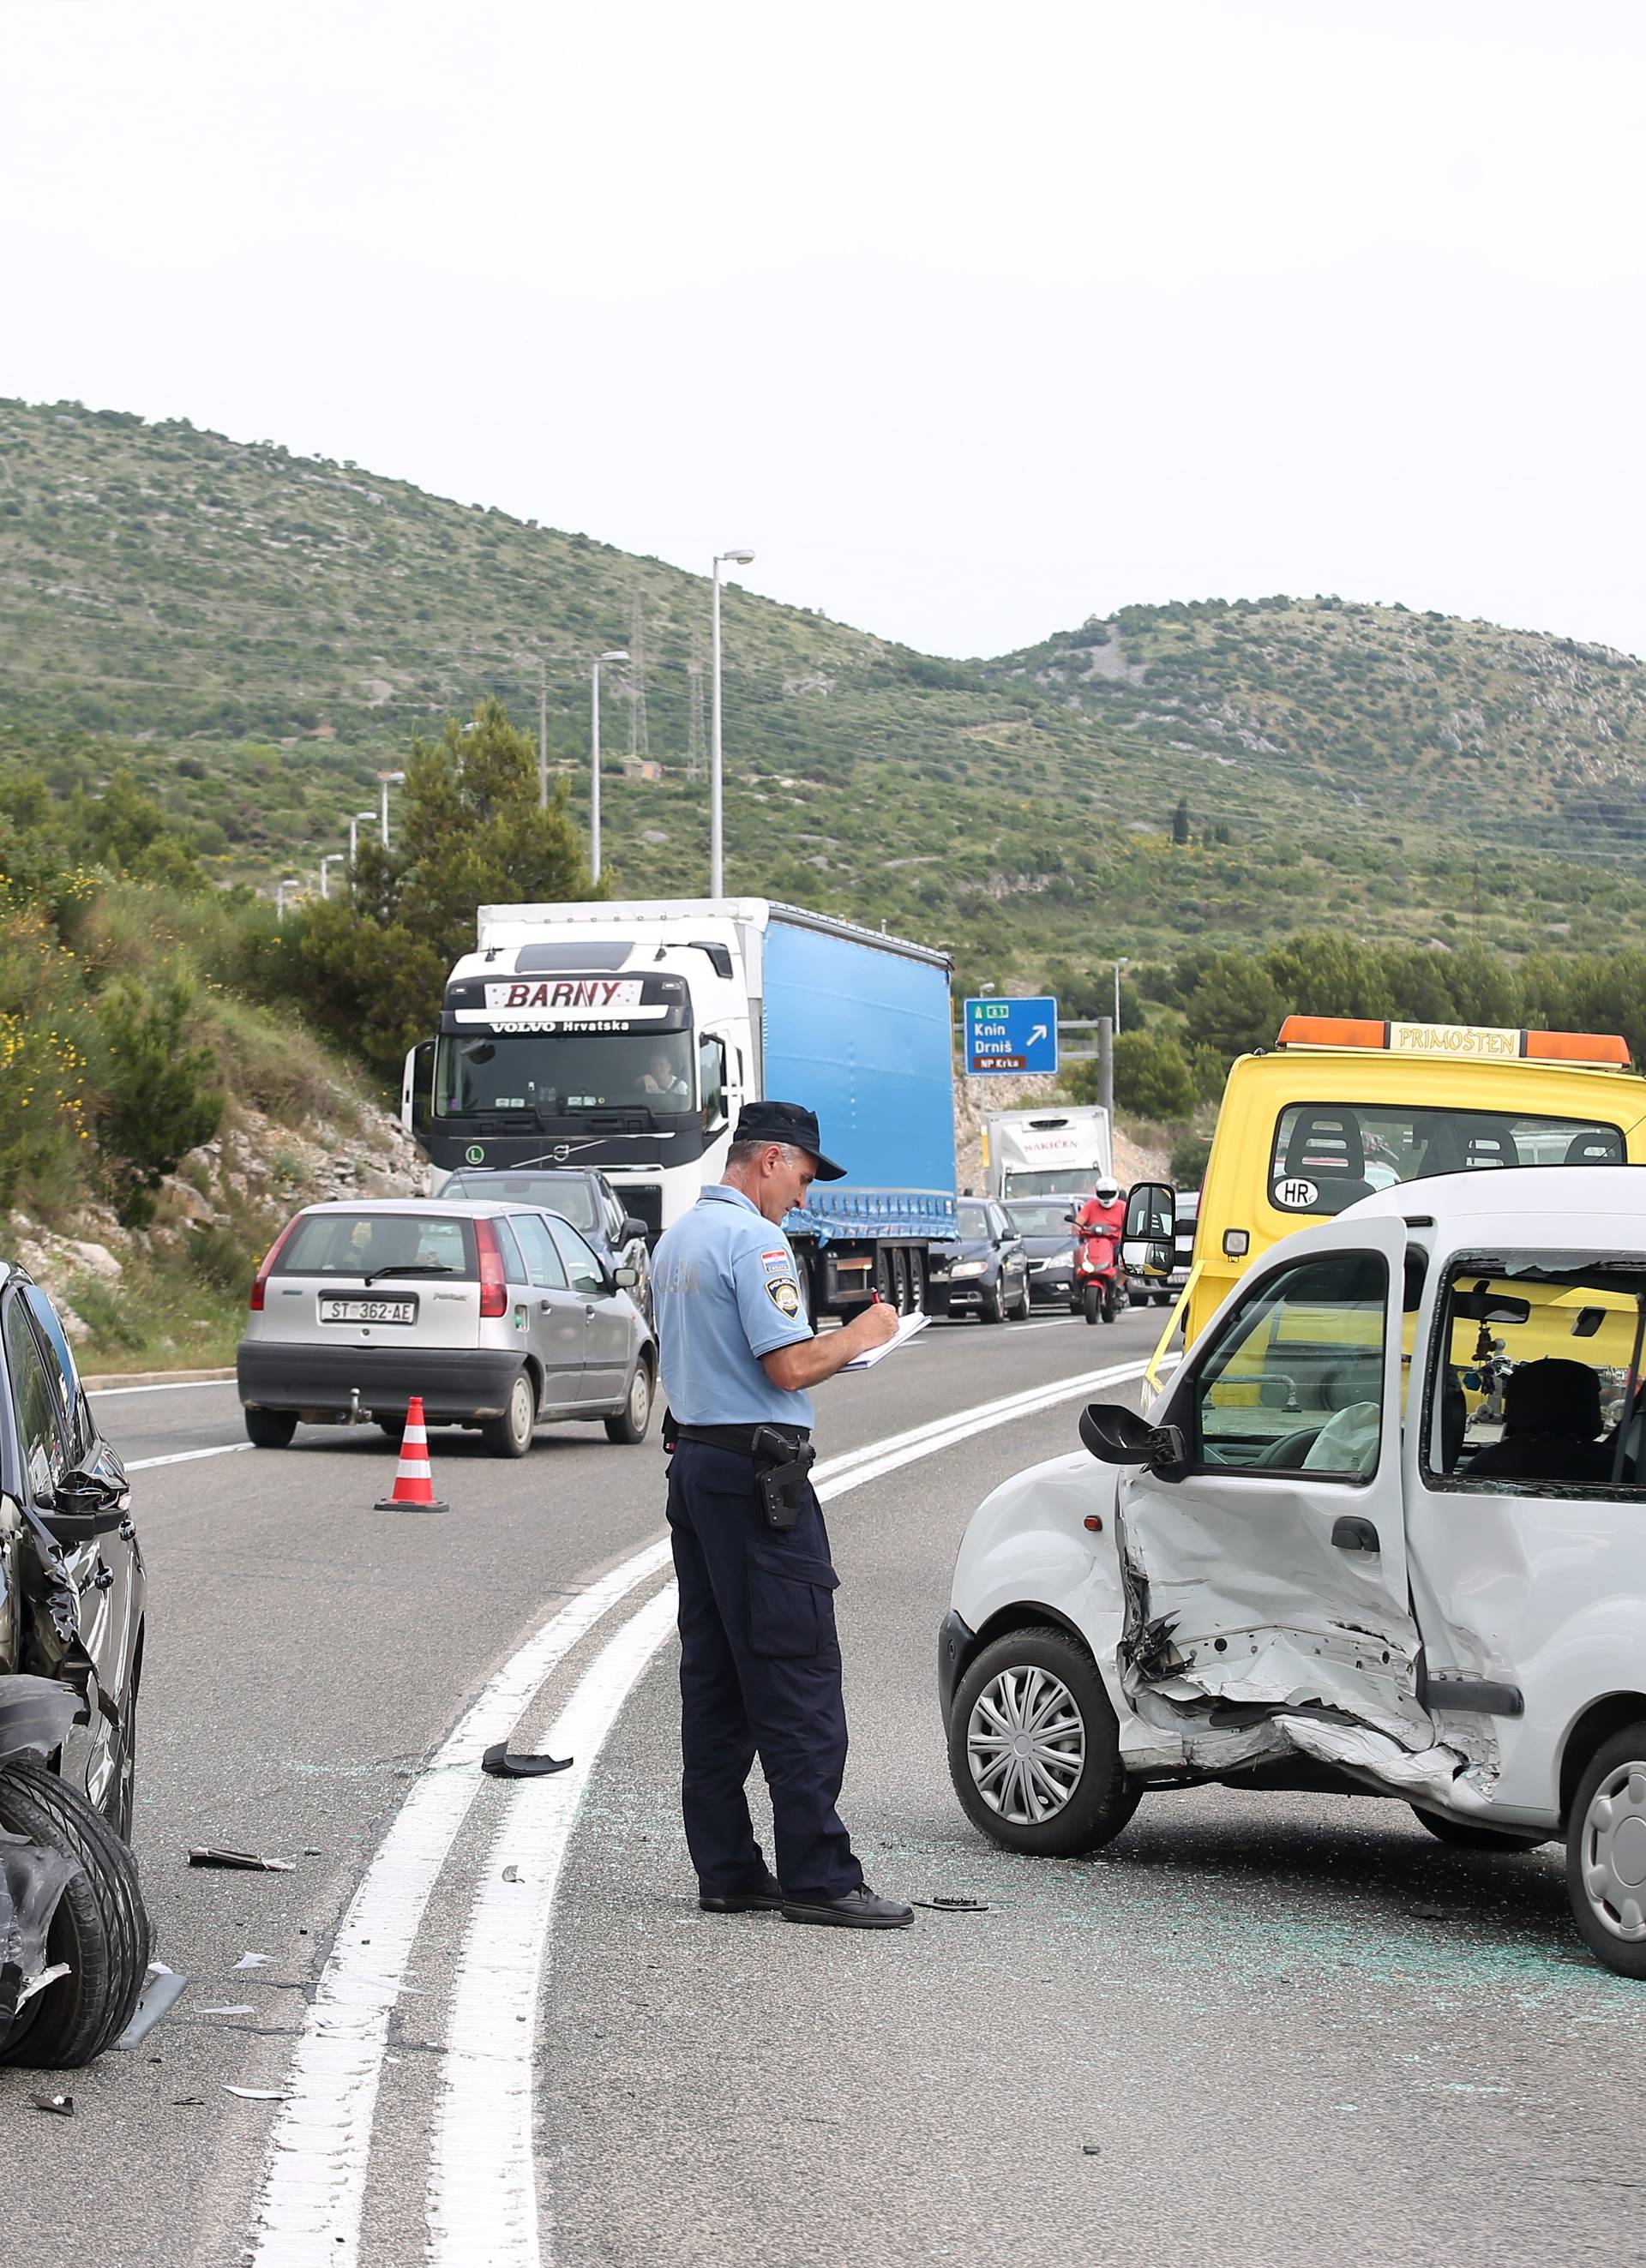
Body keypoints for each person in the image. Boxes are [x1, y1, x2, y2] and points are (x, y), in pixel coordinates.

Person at [651, 1099, 910, 1929]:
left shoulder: (678, 1238)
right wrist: (865, 1331)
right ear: (768, 1161)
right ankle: (820, 1877)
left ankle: (728, 1869)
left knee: (718, 1677)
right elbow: (790, 1364)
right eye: (801, 1176)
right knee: (797, 1673)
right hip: (759, 1476)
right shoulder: (754, 1241)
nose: (801, 1197)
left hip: (694, 1465)